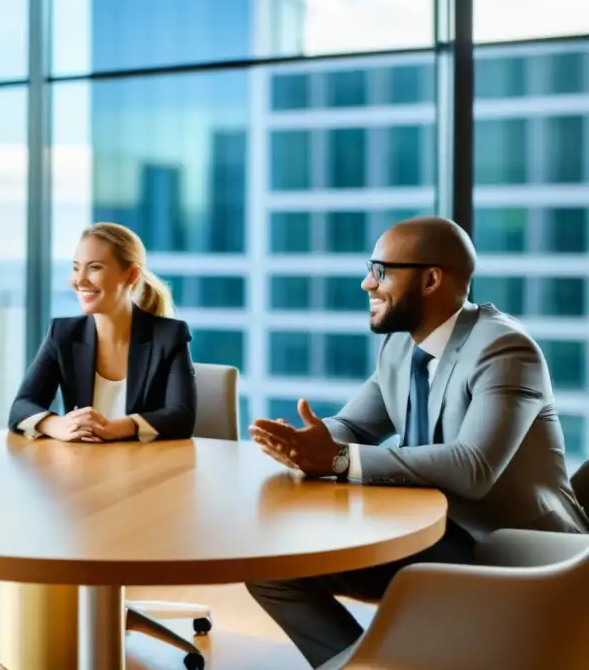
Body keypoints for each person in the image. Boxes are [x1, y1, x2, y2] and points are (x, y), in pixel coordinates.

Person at [247, 215, 589, 668]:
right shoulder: (401, 347)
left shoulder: (504, 349)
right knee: (271, 568)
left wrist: (338, 458)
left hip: (514, 555)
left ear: (431, 279)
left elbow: (473, 467)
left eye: (381, 270)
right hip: (430, 540)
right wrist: (305, 442)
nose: (367, 283)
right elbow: (355, 426)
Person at [9, 222, 196, 443]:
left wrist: (117, 427)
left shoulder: (169, 336)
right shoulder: (63, 334)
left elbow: (182, 417)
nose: (79, 281)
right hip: (83, 467)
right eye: (76, 268)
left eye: (95, 267)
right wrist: (58, 424)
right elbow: (20, 407)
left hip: (145, 468)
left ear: (131, 275)